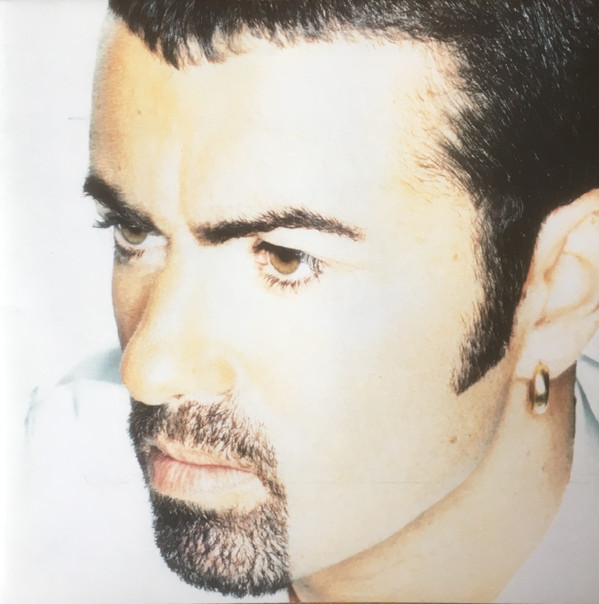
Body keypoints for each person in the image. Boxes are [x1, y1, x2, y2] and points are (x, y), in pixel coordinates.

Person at [17, 1, 599, 602]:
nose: (147, 370)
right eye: (135, 232)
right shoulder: (43, 508)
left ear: (561, 291)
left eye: (286, 258)